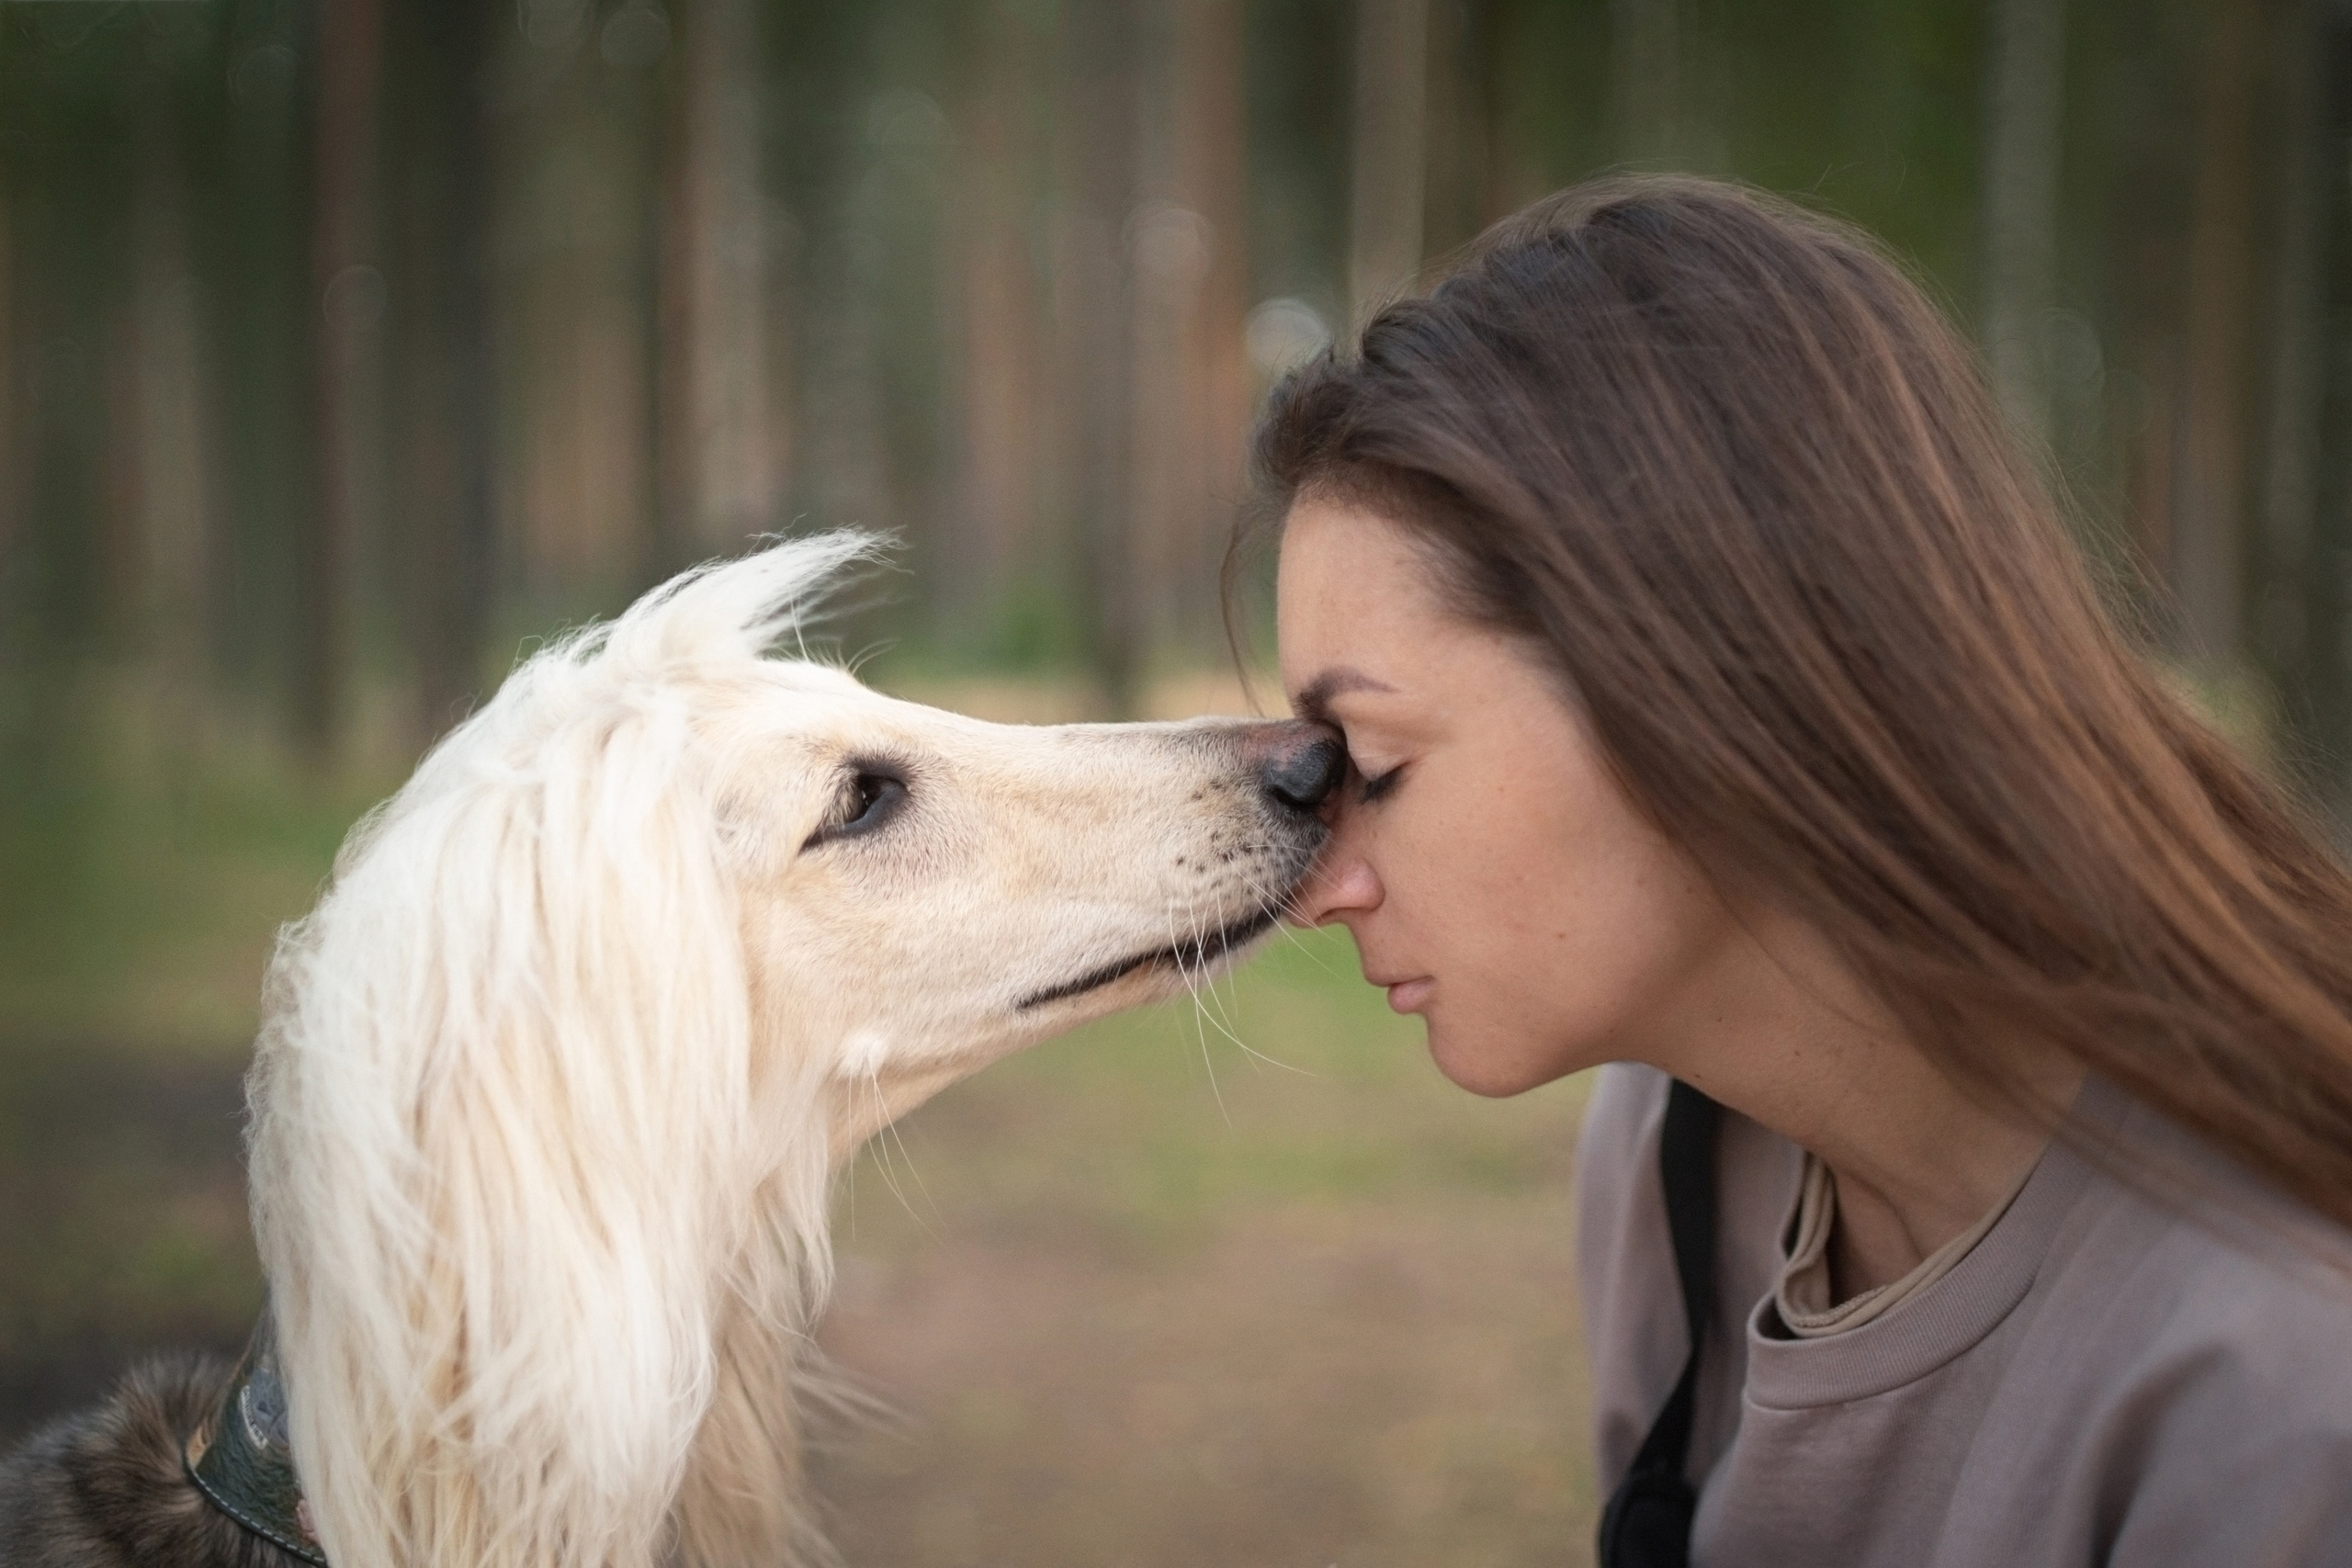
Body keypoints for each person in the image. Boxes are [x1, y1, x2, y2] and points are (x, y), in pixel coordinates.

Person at [1250, 175, 2352, 1567]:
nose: (1317, 882)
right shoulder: (1666, 1152)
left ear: (1690, 667)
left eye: (1374, 763)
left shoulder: (2280, 1389)